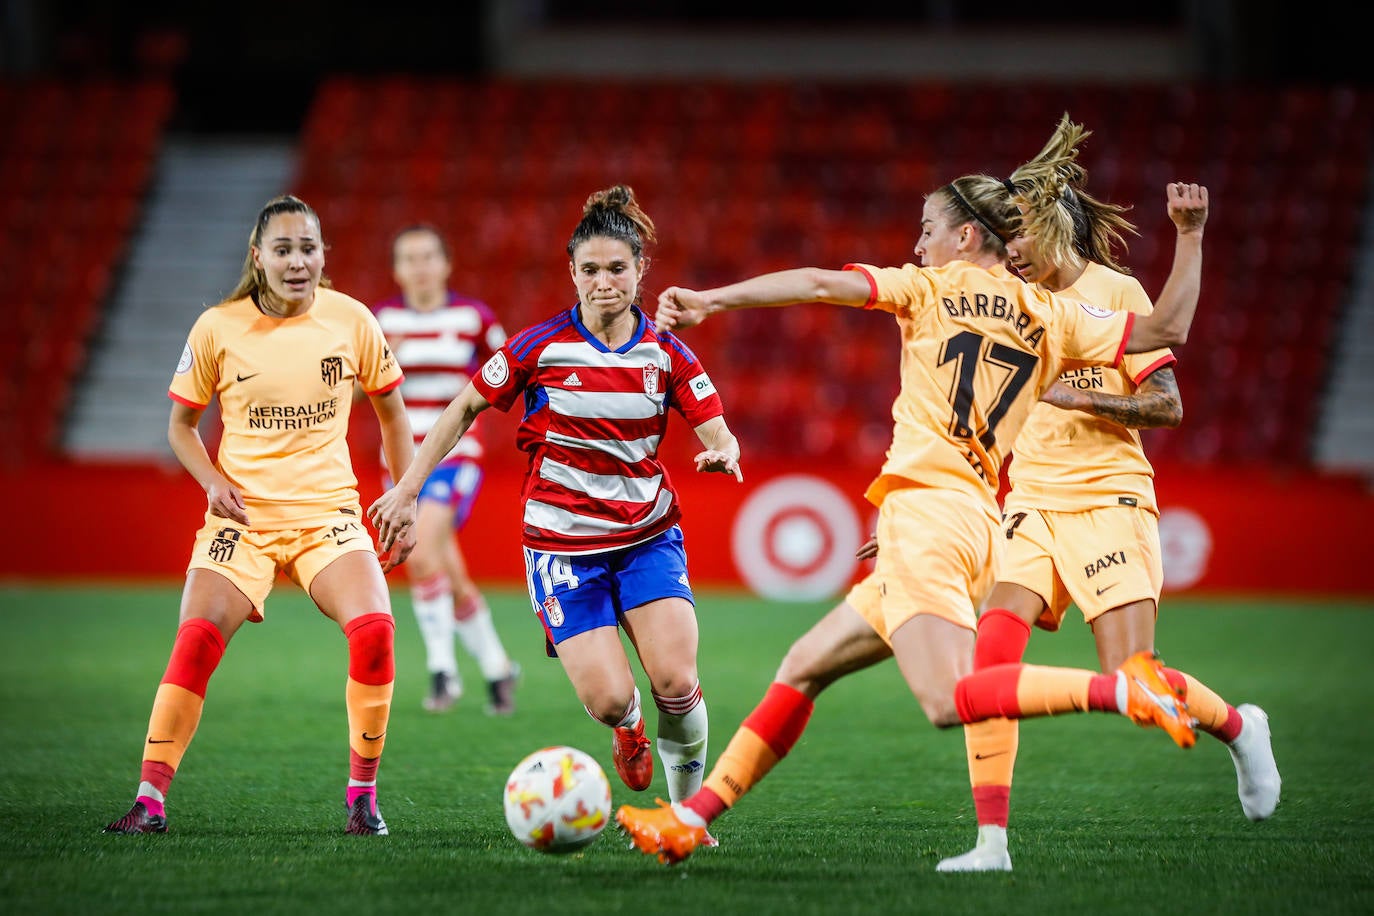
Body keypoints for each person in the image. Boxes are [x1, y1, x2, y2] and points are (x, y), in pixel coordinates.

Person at [615, 140, 1208, 865]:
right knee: (804, 665)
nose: (916, 243)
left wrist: (715, 299)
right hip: (971, 517)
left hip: (930, 517)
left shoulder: (927, 289)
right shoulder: (1052, 314)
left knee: (945, 700)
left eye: (927, 228)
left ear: (964, 236)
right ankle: (691, 818)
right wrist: (1189, 236)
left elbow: (818, 283)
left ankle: (1121, 693)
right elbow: (1167, 331)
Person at [938, 118, 1279, 872]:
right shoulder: (1007, 300)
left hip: (1108, 501)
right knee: (987, 664)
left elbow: (1167, 404)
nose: (1008, 250)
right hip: (1029, 505)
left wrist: (1086, 400)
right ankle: (991, 843)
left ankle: (1240, 728)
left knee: (1136, 682)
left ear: (1049, 229)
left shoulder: (1111, 293)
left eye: (1016, 234)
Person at [369, 185, 743, 805]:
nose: (604, 282)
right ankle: (627, 730)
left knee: (677, 682)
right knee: (611, 698)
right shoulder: (536, 346)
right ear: (571, 271)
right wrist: (409, 489)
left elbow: (717, 427)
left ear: (640, 270)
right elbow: (463, 407)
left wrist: (724, 450)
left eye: (617, 269)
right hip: (563, 545)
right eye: (590, 270)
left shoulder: (668, 353)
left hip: (646, 537)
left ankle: (687, 818)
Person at [103, 195, 415, 837]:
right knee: (194, 640)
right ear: (259, 257)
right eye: (283, 249)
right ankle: (148, 801)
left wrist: (403, 494)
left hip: (328, 512)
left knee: (376, 631)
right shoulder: (217, 327)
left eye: (308, 248)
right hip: (243, 519)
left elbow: (392, 412)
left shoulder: (352, 321)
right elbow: (181, 427)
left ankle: (363, 797)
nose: (297, 261)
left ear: (323, 254)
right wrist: (212, 482)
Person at [373, 225, 520, 715]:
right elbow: (353, 392)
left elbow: (510, 373)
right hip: (398, 458)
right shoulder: (381, 321)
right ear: (396, 270)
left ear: (446, 263)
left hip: (455, 454)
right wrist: (382, 360)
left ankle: (443, 671)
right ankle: (499, 668)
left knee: (419, 551)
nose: (419, 266)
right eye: (408, 258)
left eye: (428, 256)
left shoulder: (473, 318)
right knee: (444, 568)